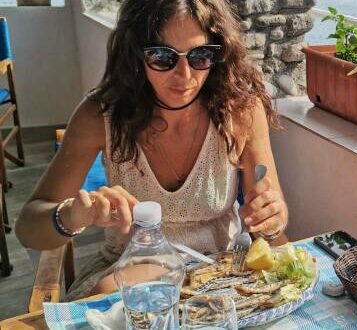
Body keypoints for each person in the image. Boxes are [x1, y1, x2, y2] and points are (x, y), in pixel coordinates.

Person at [15, 0, 288, 300]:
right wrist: (71, 215)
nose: (184, 76)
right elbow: (28, 226)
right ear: (135, 54)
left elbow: (272, 220)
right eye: (162, 56)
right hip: (128, 279)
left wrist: (272, 219)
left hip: (221, 276)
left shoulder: (240, 112)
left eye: (200, 55)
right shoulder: (100, 116)